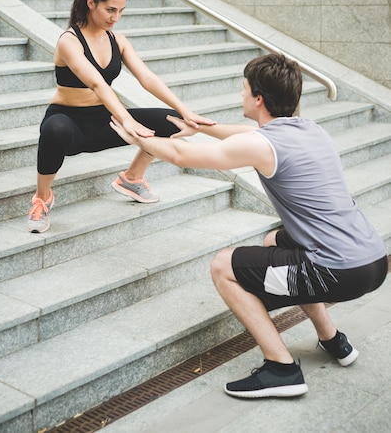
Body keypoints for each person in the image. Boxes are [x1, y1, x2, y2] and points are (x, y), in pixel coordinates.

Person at [109, 52, 388, 398]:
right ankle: (333, 339)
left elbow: (181, 156)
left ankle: (281, 369)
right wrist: (199, 127)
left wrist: (135, 136)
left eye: (243, 89)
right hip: (374, 259)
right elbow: (242, 133)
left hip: (337, 270)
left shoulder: (262, 144)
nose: (240, 95)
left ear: (257, 98)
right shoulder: (310, 129)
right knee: (274, 241)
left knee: (223, 265)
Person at [27, 0, 215, 233]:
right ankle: (42, 198)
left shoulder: (118, 41)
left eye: (121, 11)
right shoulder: (69, 41)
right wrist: (126, 121)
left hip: (104, 119)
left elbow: (147, 78)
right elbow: (96, 83)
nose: (115, 18)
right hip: (69, 119)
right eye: (110, 10)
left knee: (172, 121)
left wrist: (186, 110)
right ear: (91, 3)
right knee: (53, 130)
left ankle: (132, 178)